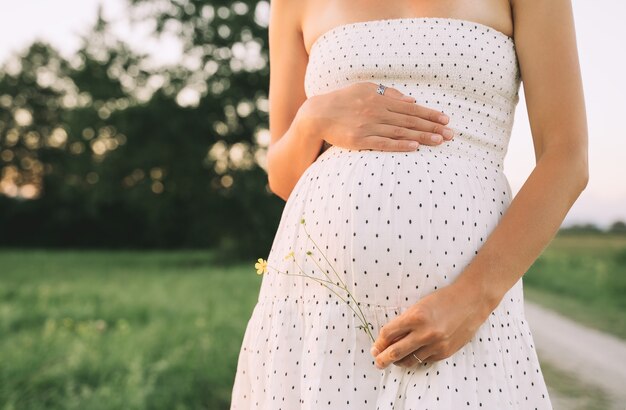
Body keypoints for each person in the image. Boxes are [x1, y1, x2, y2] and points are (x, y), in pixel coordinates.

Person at [231, 0, 588, 407]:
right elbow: (282, 177)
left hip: (461, 315)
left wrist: (473, 299)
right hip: (316, 314)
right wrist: (312, 118)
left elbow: (567, 157)